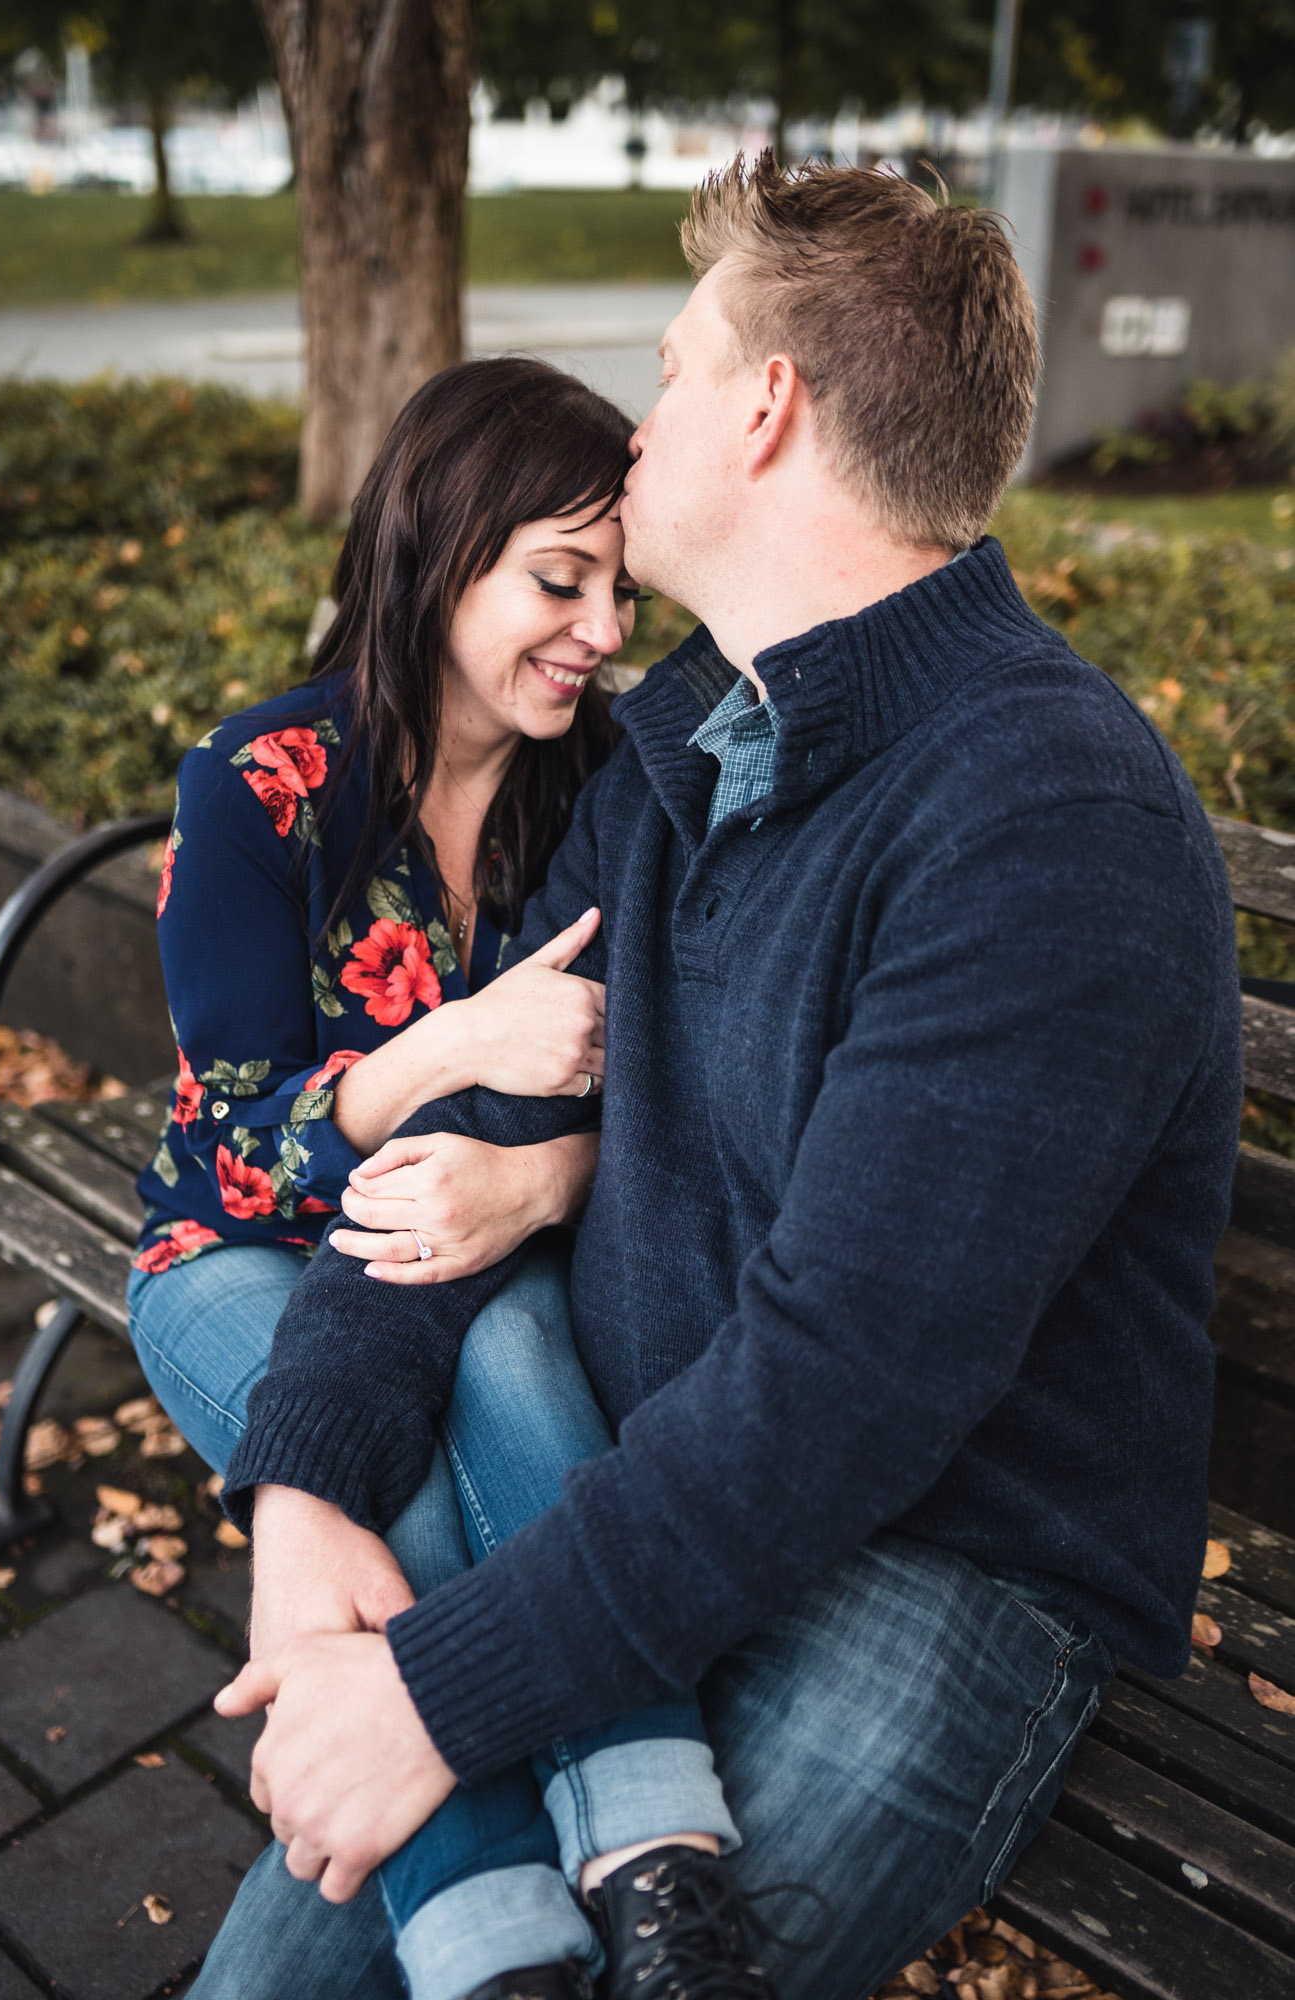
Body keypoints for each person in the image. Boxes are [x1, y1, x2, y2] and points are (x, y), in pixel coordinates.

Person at [213, 156, 1243, 2000]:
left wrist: (440, 1692)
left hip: (944, 1551)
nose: (643, 419)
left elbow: (850, 1381)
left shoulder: (1044, 813)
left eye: (676, 366)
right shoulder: (691, 744)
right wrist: (302, 1503)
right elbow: (472, 1125)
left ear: (766, 407)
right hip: (634, 1470)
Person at [127, 357, 753, 2000]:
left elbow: (671, 1094)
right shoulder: (259, 785)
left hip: (478, 1252)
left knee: (519, 1345)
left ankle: (645, 1855)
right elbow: (235, 1155)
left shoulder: (595, 782)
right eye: (561, 580)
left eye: (618, 585)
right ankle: (503, 1932)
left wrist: (546, 1184)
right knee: (391, 1482)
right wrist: (446, 1045)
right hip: (231, 1262)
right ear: (440, 546)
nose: (603, 629)